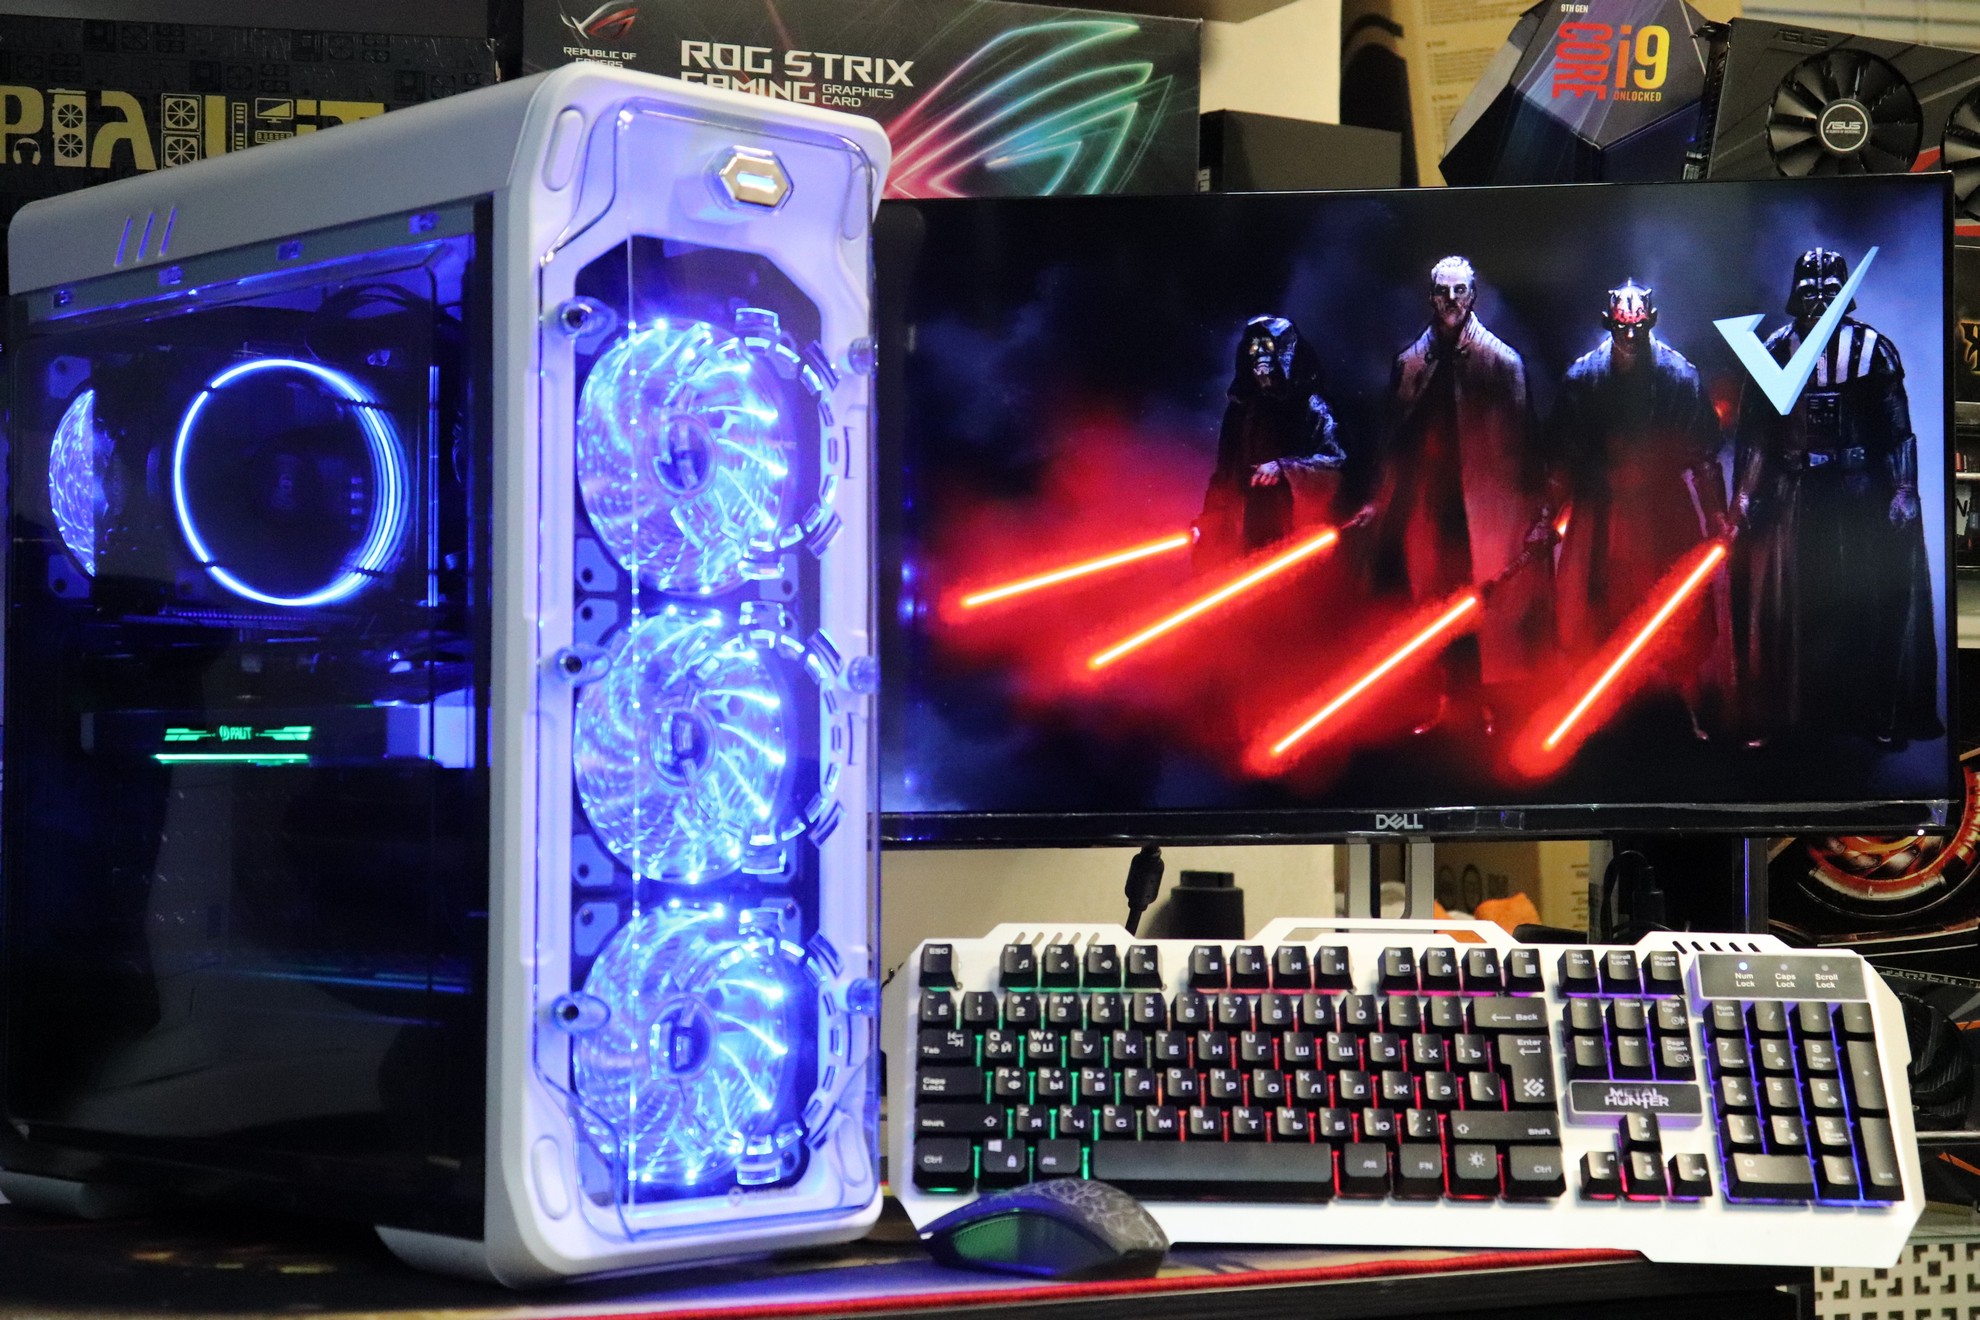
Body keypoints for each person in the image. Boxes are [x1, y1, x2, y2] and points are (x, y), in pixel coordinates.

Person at [1727, 247, 1940, 745]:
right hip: (1795, 495)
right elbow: (1756, 434)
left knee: (1867, 602)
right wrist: (1745, 496)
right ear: (1795, 295)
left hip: (1857, 492)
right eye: (1810, 291)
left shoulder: (1874, 350)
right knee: (1791, 607)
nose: (1820, 301)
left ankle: (1877, 713)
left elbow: (1897, 431)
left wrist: (1903, 488)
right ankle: (1786, 715)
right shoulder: (1774, 349)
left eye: (1830, 291)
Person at [1350, 256, 1550, 731]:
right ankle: (1445, 700)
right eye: (1444, 291)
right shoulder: (1411, 363)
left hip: (1487, 509)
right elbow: (1395, 441)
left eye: (1460, 290)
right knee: (1434, 607)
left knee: (1488, 610)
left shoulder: (1501, 362)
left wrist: (1539, 512)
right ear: (1431, 297)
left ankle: (1491, 707)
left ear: (1473, 295)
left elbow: (1525, 444)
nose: (1452, 300)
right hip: (1430, 507)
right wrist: (1381, 500)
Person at [1544, 279, 1727, 734]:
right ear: (1608, 324)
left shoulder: (1679, 376)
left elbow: (1704, 456)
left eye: (1637, 328)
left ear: (1651, 323)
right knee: (1593, 609)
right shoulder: (1583, 378)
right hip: (1599, 511)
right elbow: (1562, 458)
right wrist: (1547, 514)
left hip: (1663, 509)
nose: (1629, 336)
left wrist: (1716, 514)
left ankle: (1686, 697)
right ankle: (1596, 709)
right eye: (1622, 328)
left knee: (1678, 611)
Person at [1195, 315, 1345, 570]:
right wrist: (1208, 520)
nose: (1259, 353)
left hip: (1286, 529)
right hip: (1241, 527)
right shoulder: (1241, 410)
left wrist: (1283, 468)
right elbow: (1224, 474)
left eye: (1267, 345)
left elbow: (1336, 462)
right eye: (1253, 346)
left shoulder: (1312, 407)